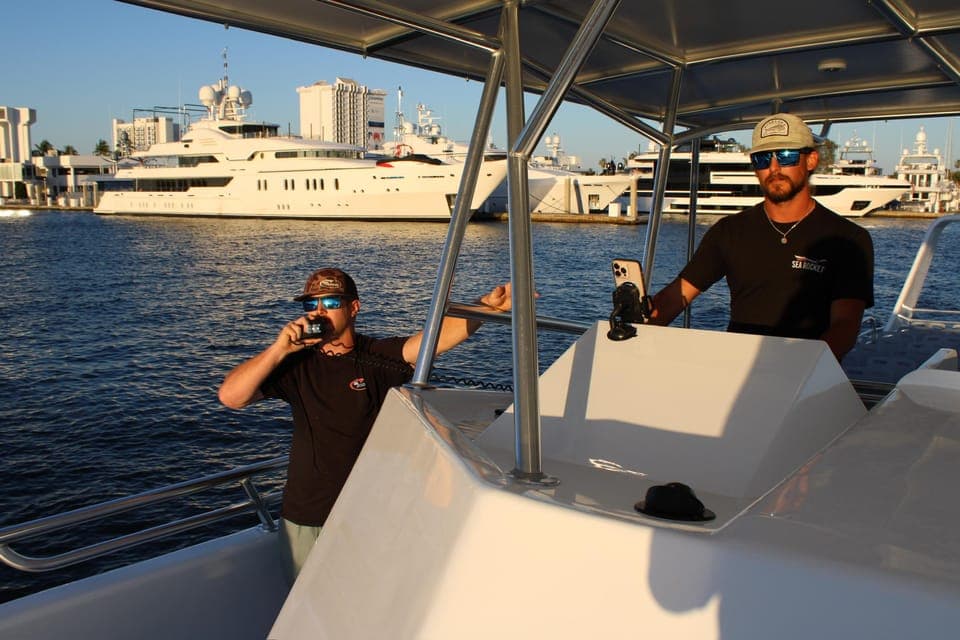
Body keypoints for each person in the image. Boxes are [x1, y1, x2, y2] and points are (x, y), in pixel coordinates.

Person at [218, 267, 512, 582]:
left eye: (330, 303)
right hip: (308, 516)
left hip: (370, 510)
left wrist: (487, 307)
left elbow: (432, 341)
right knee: (305, 615)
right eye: (311, 305)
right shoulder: (295, 365)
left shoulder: (377, 356)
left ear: (353, 308)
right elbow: (231, 397)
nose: (318, 312)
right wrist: (279, 349)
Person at [647, 113, 874, 361]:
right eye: (763, 159)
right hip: (740, 375)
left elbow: (845, 327)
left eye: (786, 156)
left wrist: (797, 369)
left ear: (811, 160)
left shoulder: (849, 239)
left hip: (808, 379)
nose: (774, 168)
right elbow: (675, 298)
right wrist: (638, 320)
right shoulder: (729, 231)